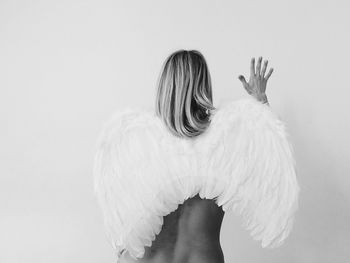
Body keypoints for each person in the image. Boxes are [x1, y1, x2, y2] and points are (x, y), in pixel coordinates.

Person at [93, 50, 300, 263]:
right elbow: (267, 162)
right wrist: (260, 104)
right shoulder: (226, 139)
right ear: (203, 86)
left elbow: (123, 222)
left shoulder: (141, 142)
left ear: (165, 87)